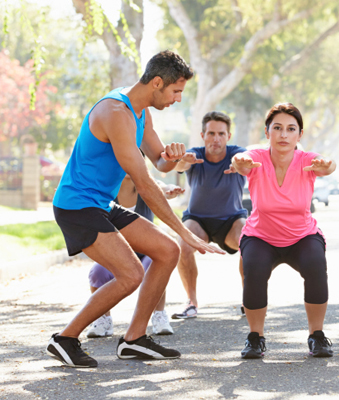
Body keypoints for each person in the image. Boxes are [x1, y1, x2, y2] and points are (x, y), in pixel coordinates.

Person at [47, 50, 225, 368]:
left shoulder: (142, 112)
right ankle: (65, 338)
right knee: (129, 274)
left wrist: (173, 158)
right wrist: (186, 232)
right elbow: (143, 182)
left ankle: (134, 339)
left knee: (167, 251)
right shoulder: (115, 112)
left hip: (100, 203)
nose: (178, 99)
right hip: (77, 205)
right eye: (176, 91)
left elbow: (158, 161)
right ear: (157, 82)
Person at [231, 103, 336, 359]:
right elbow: (241, 161)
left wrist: (327, 166)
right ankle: (255, 337)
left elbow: (328, 165)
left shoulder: (307, 160)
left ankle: (317, 335)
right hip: (261, 236)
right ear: (267, 132)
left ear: (300, 134)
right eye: (277, 128)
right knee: (253, 268)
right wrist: (239, 161)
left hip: (302, 235)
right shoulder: (256, 157)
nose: (284, 135)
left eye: (291, 129)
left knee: (315, 263)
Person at [86, 174, 184, 338]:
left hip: (146, 251)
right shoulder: (108, 189)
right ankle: (103, 319)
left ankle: (159, 315)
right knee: (97, 273)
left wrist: (170, 190)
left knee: (156, 267)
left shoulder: (145, 185)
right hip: (117, 252)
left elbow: (162, 188)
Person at [171, 111, 247, 319]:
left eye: (221, 134)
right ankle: (191, 303)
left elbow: (246, 162)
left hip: (231, 221)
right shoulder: (194, 155)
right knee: (182, 244)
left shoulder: (238, 153)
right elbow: (180, 165)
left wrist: (240, 164)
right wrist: (180, 160)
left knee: (250, 242)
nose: (216, 139)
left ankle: (249, 300)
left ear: (228, 136)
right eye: (211, 133)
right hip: (198, 221)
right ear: (203, 134)